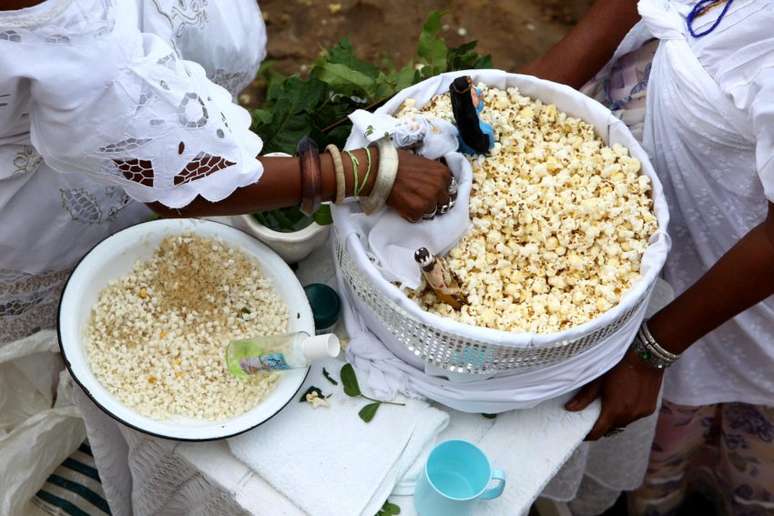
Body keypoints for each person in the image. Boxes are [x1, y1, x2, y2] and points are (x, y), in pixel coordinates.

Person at [0, 0, 451, 513]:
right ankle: (62, 394)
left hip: (103, 120)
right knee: (58, 331)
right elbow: (177, 178)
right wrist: (359, 173)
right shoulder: (71, 44)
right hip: (49, 203)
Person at [523, 0, 774, 514]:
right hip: (624, 205)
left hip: (724, 290)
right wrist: (505, 110)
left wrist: (651, 351)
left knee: (692, 415)